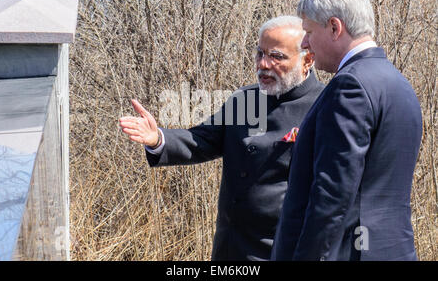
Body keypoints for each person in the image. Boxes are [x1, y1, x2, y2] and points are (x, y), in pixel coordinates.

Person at [119, 15, 325, 261]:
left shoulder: (324, 107)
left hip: (283, 251)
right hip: (231, 248)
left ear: (307, 59)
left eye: (276, 56)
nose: (263, 64)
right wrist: (157, 138)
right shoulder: (246, 100)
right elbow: (203, 140)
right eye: (260, 54)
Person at [271, 0, 422, 261]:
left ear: (334, 27)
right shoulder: (399, 84)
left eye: (308, 32)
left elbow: (331, 197)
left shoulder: (350, 86)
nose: (305, 43)